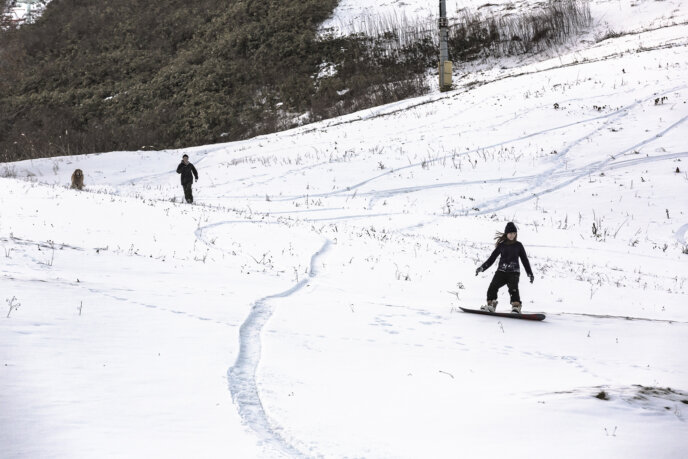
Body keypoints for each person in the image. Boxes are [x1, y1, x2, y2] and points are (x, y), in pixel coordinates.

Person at [475, 222, 534, 314]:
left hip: (514, 272)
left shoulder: (518, 245)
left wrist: (529, 273)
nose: (512, 235)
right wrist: (482, 268)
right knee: (492, 287)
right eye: (510, 233)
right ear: (506, 234)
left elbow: (524, 260)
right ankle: (491, 305)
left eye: (514, 233)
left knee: (513, 289)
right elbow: (492, 258)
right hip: (501, 272)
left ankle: (516, 307)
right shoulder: (501, 245)